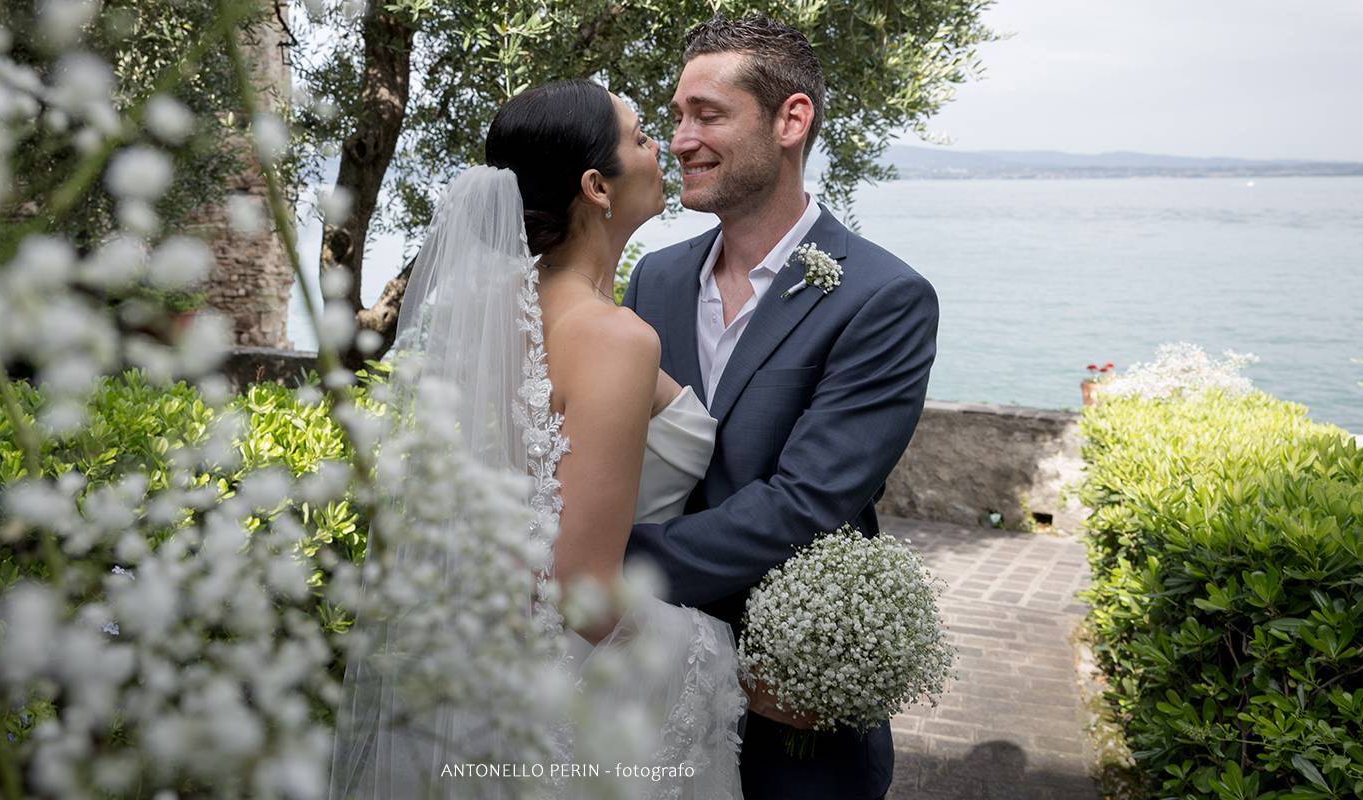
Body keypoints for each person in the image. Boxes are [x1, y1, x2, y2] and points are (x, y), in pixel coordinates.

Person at [329, 79, 749, 799]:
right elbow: (580, 588)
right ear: (595, 185)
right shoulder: (613, 339)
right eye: (643, 137)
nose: (664, 150)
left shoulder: (495, 309)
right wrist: (713, 648)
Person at [620, 15, 940, 800]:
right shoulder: (654, 279)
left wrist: (608, 568)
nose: (682, 140)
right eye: (675, 117)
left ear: (791, 120)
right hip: (641, 690)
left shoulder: (884, 298)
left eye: (708, 114)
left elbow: (807, 501)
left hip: (791, 723)